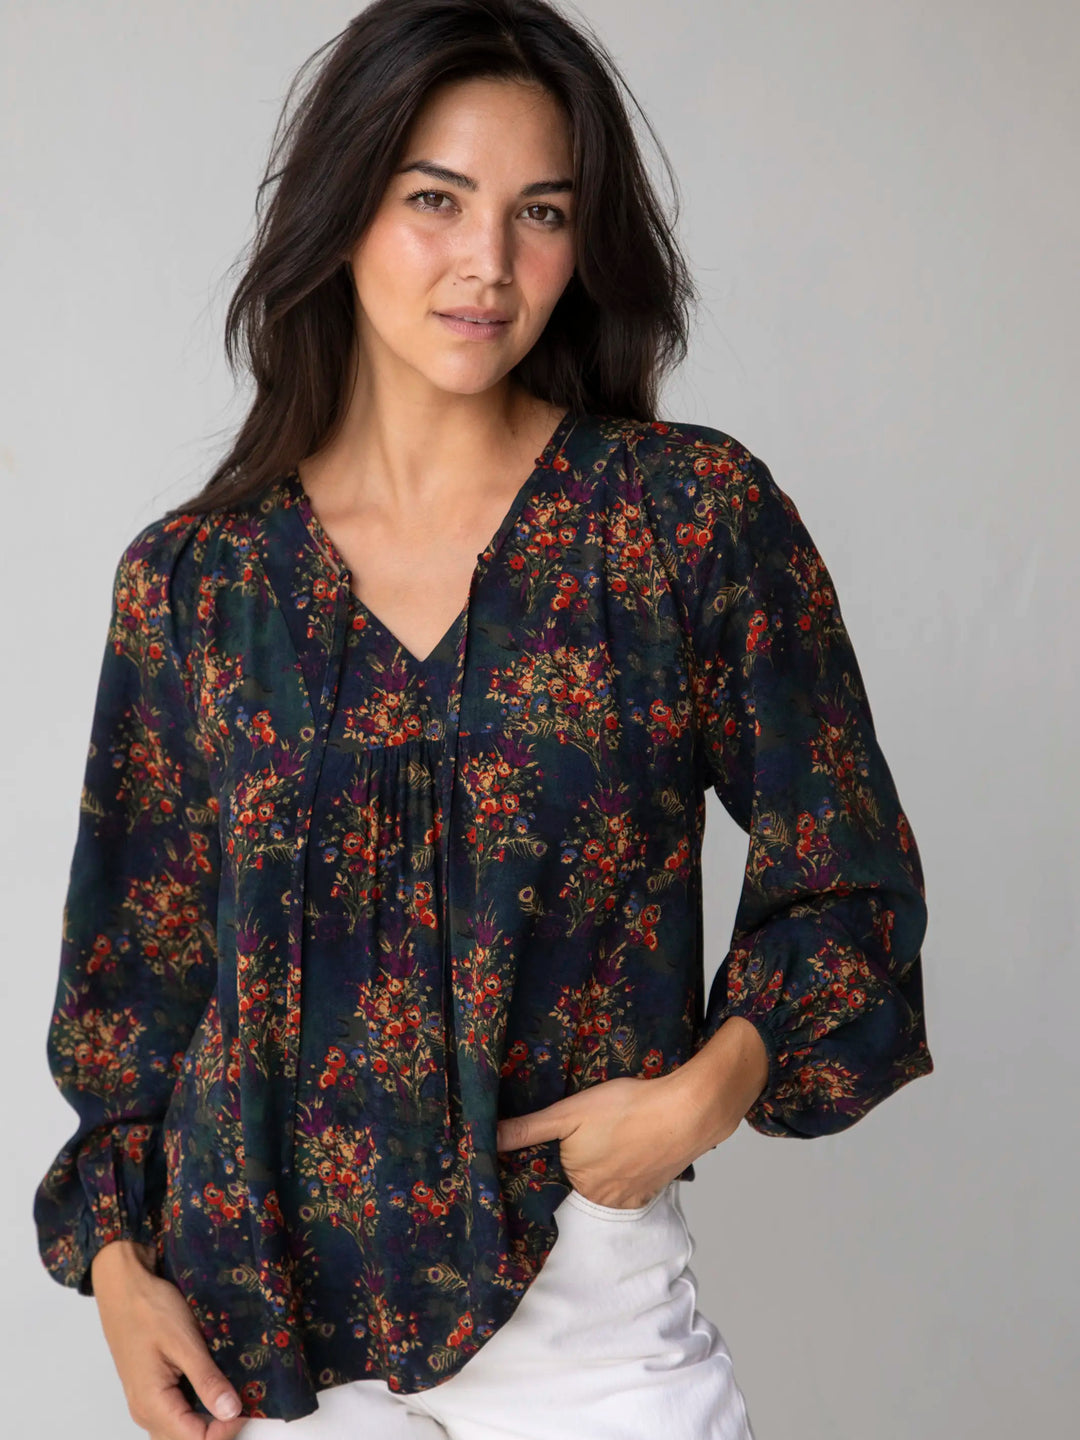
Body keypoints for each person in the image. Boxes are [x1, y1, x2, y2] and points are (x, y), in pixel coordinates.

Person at [31, 2, 935, 1437]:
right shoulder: (200, 582)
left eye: (542, 213)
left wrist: (707, 1091)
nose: (490, 263)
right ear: (343, 207)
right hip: (256, 1338)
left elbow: (850, 875)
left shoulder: (679, 524)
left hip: (585, 1305)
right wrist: (119, 1272)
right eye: (435, 199)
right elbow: (133, 983)